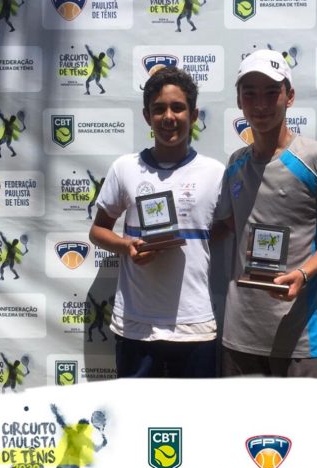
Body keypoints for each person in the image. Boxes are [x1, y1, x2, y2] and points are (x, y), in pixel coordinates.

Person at [214, 49, 317, 378]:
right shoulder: (235, 163)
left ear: (289, 97)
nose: (260, 104)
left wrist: (303, 273)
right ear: (239, 101)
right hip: (241, 334)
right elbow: (230, 224)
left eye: (271, 92)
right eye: (250, 94)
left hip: (300, 336)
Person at [89, 67, 224, 378]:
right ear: (147, 116)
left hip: (195, 325)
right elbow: (98, 231)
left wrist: (188, 243)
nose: (168, 117)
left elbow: (227, 227)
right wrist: (127, 246)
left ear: (194, 114)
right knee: (134, 410)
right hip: (136, 324)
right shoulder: (124, 168)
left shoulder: (216, 172)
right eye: (159, 109)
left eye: (178, 107)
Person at [48, 404, 107, 468]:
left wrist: (56, 413)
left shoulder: (74, 433)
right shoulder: (82, 437)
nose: (82, 428)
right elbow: (96, 449)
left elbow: (61, 422)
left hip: (68, 460)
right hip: (74, 461)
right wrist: (103, 445)